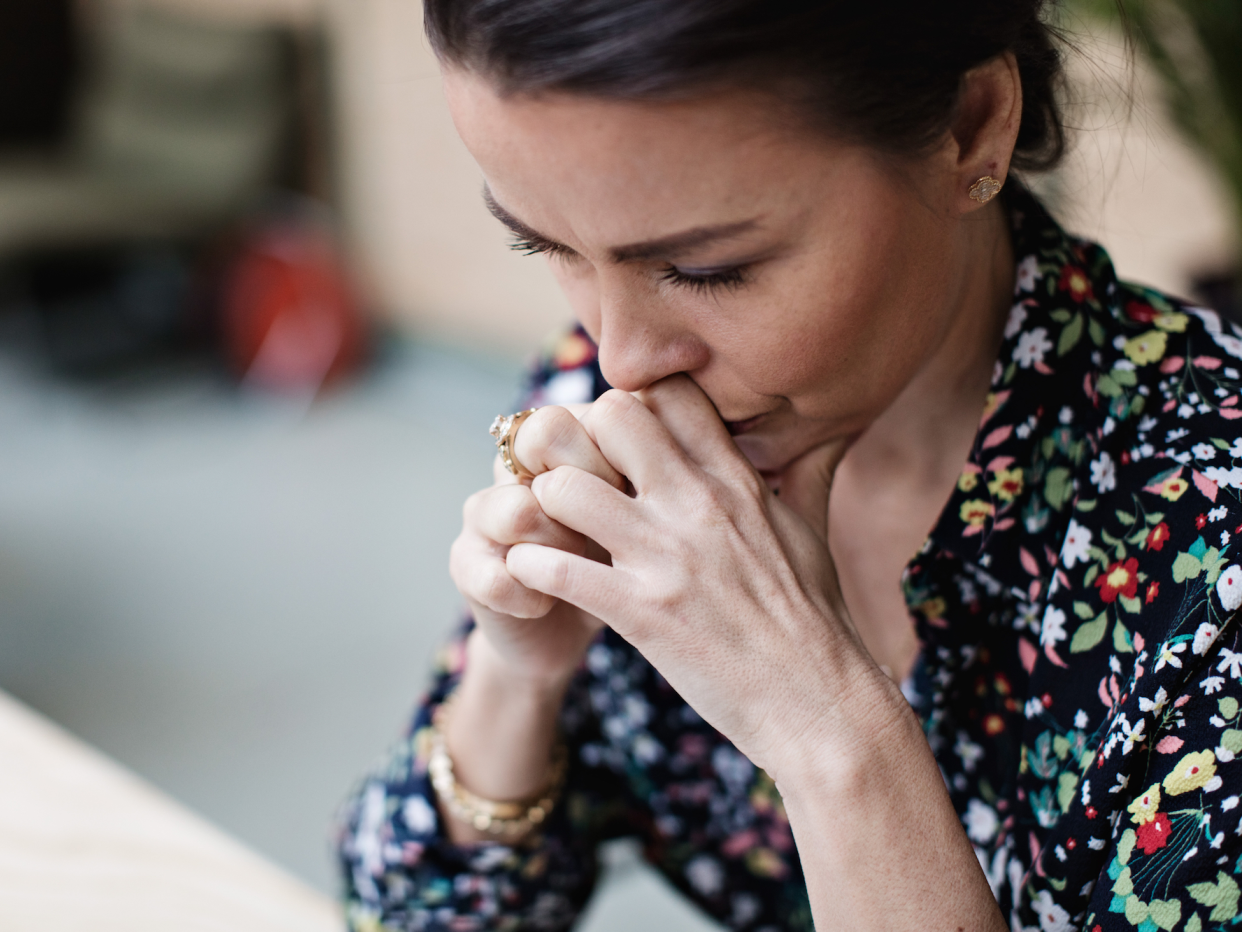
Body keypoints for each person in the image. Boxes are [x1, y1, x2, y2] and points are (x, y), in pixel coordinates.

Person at [335, 2, 1242, 930]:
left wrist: (826, 729)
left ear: (971, 128)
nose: (623, 357)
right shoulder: (607, 407)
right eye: (548, 246)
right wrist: (516, 676)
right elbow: (411, 912)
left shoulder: (1214, 539)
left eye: (709, 268)